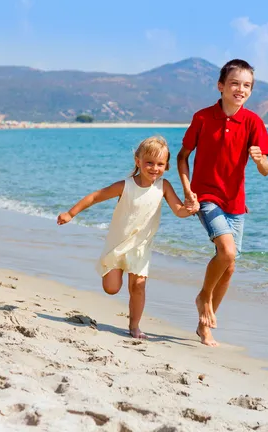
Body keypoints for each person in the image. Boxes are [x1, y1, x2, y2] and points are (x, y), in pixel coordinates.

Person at [57, 136, 195, 339]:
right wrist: (70, 213)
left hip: (141, 247)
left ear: (166, 166)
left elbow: (179, 211)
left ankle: (134, 326)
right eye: (149, 162)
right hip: (117, 245)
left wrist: (191, 207)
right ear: (138, 161)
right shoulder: (125, 185)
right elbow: (95, 196)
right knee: (112, 288)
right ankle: (114, 274)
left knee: (138, 287)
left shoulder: (164, 186)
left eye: (160, 164)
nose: (154, 168)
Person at [177, 59, 268, 347]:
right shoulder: (203, 118)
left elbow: (266, 169)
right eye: (234, 83)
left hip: (236, 202)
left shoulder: (253, 122)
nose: (240, 89)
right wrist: (188, 191)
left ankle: (204, 326)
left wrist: (260, 160)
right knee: (227, 252)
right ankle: (204, 297)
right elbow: (182, 157)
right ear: (221, 86)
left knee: (229, 266)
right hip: (206, 196)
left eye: (246, 85)